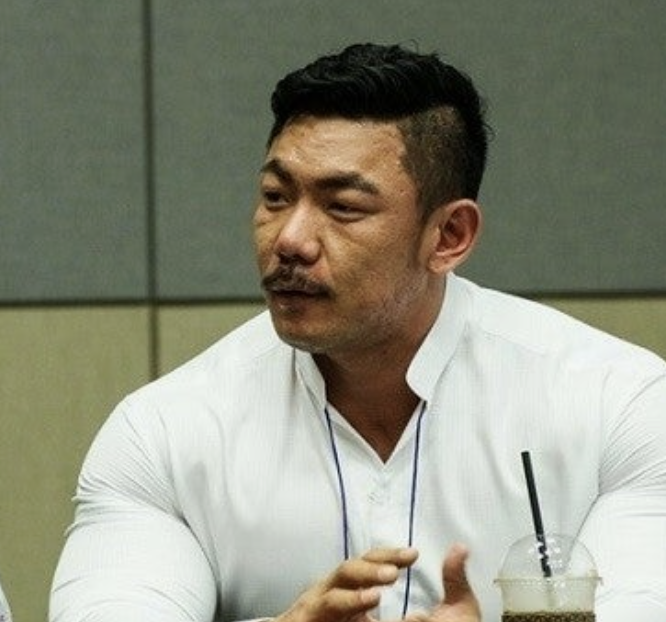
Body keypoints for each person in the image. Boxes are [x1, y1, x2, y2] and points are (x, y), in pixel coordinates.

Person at [50, 43, 666, 622]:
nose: (290, 240)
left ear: (449, 236)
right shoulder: (165, 434)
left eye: (342, 206)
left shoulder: (619, 406)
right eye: (275, 197)